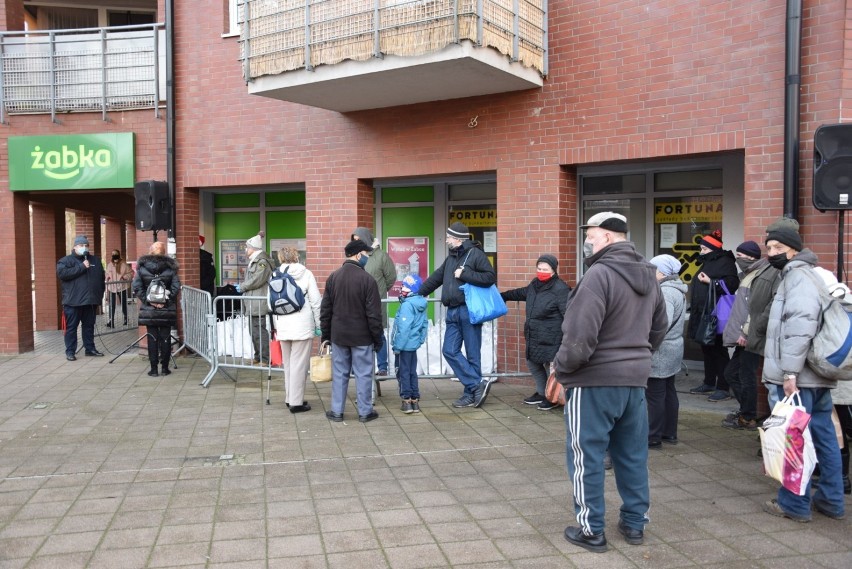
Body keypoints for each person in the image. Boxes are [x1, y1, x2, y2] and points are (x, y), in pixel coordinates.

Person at [554, 212, 667, 553]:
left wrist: (560, 370)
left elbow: (578, 338)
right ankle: (634, 524)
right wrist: (636, 359)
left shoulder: (598, 275)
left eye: (589, 233)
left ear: (604, 236)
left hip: (593, 383)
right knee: (632, 456)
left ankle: (591, 530)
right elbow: (660, 328)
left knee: (585, 457)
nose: (586, 239)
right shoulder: (649, 275)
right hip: (634, 382)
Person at [762, 224, 845, 522]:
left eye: (778, 248)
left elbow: (800, 326)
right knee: (824, 437)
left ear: (794, 249)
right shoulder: (814, 275)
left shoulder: (797, 277)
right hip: (818, 376)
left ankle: (794, 505)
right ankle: (832, 501)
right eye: (768, 248)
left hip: (798, 379)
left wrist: (789, 373)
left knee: (792, 439)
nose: (772, 253)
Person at [418, 222, 497, 408]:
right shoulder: (451, 258)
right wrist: (417, 293)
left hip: (469, 310)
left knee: (472, 354)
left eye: (448, 237)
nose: (446, 240)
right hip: (452, 311)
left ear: (458, 239)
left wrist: (466, 274)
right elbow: (436, 278)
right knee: (449, 350)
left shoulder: (475, 254)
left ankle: (470, 394)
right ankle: (476, 384)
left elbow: (489, 278)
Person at [320, 239, 384, 423]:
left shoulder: (333, 277)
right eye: (366, 254)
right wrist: (377, 338)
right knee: (363, 374)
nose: (367, 258)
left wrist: (326, 335)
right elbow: (374, 315)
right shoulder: (367, 280)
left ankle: (336, 411)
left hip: (339, 336)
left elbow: (326, 310)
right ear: (358, 255)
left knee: (339, 374)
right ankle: (365, 412)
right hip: (362, 336)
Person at [500, 254, 571, 410]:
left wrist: (569, 336)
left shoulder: (561, 289)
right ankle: (541, 392)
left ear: (553, 270)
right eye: (539, 268)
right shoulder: (534, 285)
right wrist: (503, 296)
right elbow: (521, 293)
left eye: (545, 269)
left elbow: (568, 314)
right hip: (534, 335)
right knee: (533, 364)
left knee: (552, 368)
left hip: (553, 336)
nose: (541, 271)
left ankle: (552, 397)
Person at [720, 240, 770, 430]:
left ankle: (748, 416)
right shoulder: (748, 275)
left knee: (744, 375)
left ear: (751, 257)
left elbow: (755, 308)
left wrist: (746, 332)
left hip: (750, 337)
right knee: (732, 373)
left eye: (740, 256)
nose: (737, 259)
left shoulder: (758, 276)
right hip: (746, 336)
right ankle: (747, 412)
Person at [686, 230, 739, 402]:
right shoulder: (708, 261)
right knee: (706, 348)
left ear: (713, 249)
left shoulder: (725, 262)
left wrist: (711, 282)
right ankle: (709, 382)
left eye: (704, 249)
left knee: (718, 350)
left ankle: (723, 387)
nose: (701, 252)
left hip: (716, 314)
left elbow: (731, 285)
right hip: (703, 313)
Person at [271, 246, 322, 414]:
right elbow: (315, 301)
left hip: (283, 325)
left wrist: (275, 326)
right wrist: (318, 325)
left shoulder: (275, 274)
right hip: (302, 324)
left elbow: (270, 303)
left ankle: (289, 397)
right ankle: (296, 402)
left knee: (289, 364)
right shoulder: (306, 273)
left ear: (280, 258)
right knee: (299, 364)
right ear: (296, 256)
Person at [647, 254, 687, 448]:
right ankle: (669, 433)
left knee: (655, 394)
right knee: (669, 391)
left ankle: (653, 437)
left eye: (652, 269)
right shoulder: (676, 289)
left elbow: (663, 323)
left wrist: (649, 343)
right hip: (673, 348)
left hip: (661, 350)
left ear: (661, 272)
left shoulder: (665, 292)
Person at [351, 227, 397, 376]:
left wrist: (380, 291)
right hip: (359, 302)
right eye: (354, 240)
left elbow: (391, 278)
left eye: (358, 239)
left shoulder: (381, 256)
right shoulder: (354, 256)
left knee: (378, 333)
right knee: (360, 333)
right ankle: (361, 367)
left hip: (377, 301)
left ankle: (382, 366)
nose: (355, 242)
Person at [132, 241, 180, 377]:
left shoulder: (141, 268)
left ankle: (153, 369)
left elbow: (137, 287)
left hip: (149, 309)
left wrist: (149, 301)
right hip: (166, 309)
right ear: (164, 252)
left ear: (150, 251)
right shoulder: (171, 268)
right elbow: (176, 287)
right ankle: (165, 368)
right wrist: (165, 301)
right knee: (165, 337)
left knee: (152, 338)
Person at [56, 235, 107, 361]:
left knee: (89, 327)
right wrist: (82, 267)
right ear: (74, 247)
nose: (84, 247)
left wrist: (99, 295)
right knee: (71, 328)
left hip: (90, 302)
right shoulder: (65, 261)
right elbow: (63, 274)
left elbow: (101, 279)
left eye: (86, 245)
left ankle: (90, 349)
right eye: (81, 245)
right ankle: (70, 351)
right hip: (73, 302)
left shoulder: (95, 260)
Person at [391, 274, 428, 414]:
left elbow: (403, 328)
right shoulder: (420, 303)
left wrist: (397, 347)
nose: (402, 288)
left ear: (412, 289)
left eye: (405, 286)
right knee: (412, 372)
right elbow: (424, 324)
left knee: (403, 372)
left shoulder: (407, 305)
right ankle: (415, 400)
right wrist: (419, 340)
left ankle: (406, 400)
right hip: (413, 345)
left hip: (404, 346)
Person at [238, 233, 272, 364]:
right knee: (254, 331)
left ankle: (265, 358)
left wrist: (242, 287)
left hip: (258, 302)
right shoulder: (255, 261)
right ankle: (258, 356)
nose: (246, 249)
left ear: (254, 248)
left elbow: (257, 280)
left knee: (259, 331)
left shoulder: (262, 262)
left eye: (247, 247)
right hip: (252, 302)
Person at [105, 249, 133, 328]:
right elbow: (107, 273)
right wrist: (108, 277)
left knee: (123, 304)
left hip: (122, 287)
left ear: (119, 254)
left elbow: (131, 273)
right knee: (111, 305)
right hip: (112, 288)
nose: (114, 255)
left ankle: (125, 319)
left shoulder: (124, 264)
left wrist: (124, 277)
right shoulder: (110, 264)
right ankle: (111, 321)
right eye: (113, 254)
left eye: (115, 254)